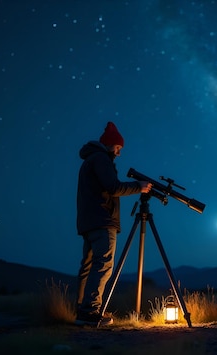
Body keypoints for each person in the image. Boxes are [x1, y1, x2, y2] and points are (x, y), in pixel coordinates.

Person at [75, 121, 152, 326]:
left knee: (89, 266)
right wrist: (139, 187)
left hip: (89, 221)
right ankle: (90, 312)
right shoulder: (101, 159)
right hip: (102, 221)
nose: (118, 153)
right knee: (103, 265)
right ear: (110, 145)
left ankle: (82, 310)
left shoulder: (90, 160)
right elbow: (113, 187)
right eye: (118, 148)